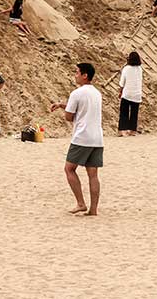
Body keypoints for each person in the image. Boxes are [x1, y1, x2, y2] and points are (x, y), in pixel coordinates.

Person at [50, 62, 103, 216]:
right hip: (97, 137)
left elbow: (69, 116)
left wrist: (64, 109)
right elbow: (83, 108)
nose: (75, 75)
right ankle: (93, 209)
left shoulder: (76, 93)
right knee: (93, 174)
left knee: (69, 169)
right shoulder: (96, 93)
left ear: (84, 75)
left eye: (77, 72)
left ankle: (80, 203)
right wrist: (61, 104)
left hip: (82, 137)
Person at [118, 51, 142, 136]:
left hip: (127, 93)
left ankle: (122, 130)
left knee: (124, 113)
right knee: (134, 114)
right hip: (137, 94)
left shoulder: (126, 69)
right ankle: (133, 131)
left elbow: (122, 82)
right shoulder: (140, 69)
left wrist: (120, 91)